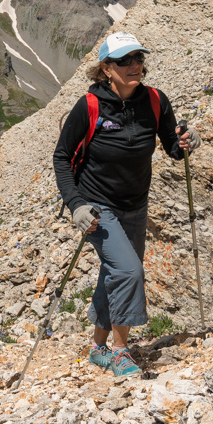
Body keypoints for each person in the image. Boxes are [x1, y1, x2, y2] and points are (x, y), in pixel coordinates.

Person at [53, 31, 201, 377]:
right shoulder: (89, 106)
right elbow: (62, 157)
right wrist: (76, 205)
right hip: (97, 206)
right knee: (129, 271)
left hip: (135, 203)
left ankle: (97, 347)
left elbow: (172, 148)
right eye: (124, 60)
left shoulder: (155, 101)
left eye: (138, 58)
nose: (134, 65)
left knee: (114, 271)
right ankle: (121, 352)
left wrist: (188, 140)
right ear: (107, 68)